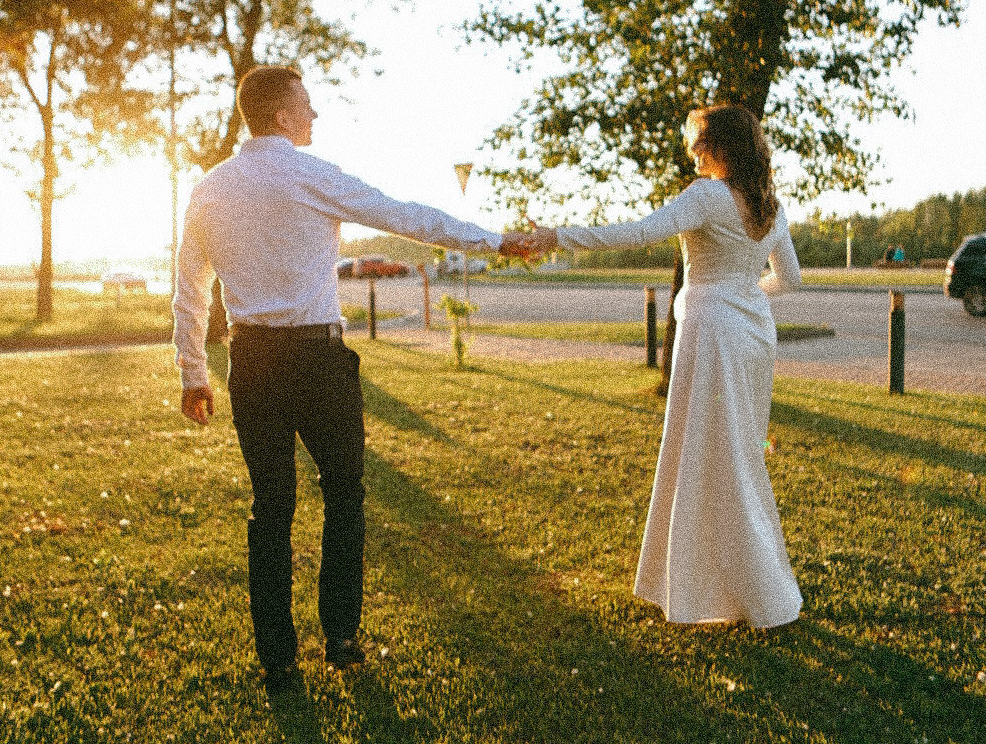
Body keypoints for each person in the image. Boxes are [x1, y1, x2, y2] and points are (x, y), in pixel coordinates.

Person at [173, 65, 504, 686]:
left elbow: (188, 290)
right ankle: (341, 636)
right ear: (279, 115)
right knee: (344, 493)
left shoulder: (208, 189)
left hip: (251, 362)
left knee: (271, 505)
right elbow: (406, 216)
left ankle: (277, 654)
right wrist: (493, 240)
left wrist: (194, 372)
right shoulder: (311, 174)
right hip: (318, 360)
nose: (315, 115)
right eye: (307, 103)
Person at [502, 105, 803, 629]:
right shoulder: (770, 206)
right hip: (754, 334)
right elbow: (790, 280)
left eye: (697, 144)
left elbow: (638, 232)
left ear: (717, 148)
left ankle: (729, 588)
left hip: (710, 330)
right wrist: (743, 292)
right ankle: (742, 584)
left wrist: (558, 236)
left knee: (709, 454)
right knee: (740, 454)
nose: (692, 153)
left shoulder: (707, 196)